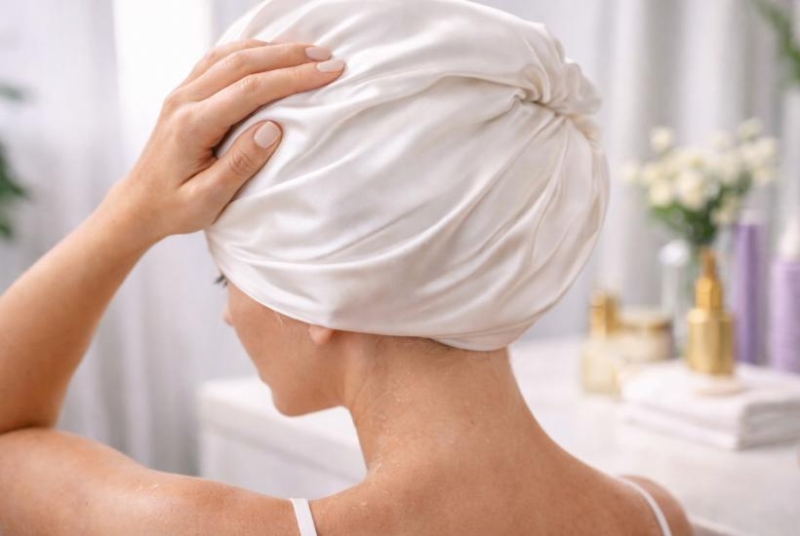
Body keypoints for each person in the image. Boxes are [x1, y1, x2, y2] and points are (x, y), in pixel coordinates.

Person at [0, 32, 692, 536]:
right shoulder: (654, 514)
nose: (231, 316)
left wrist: (131, 211)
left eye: (226, 277)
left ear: (326, 292)